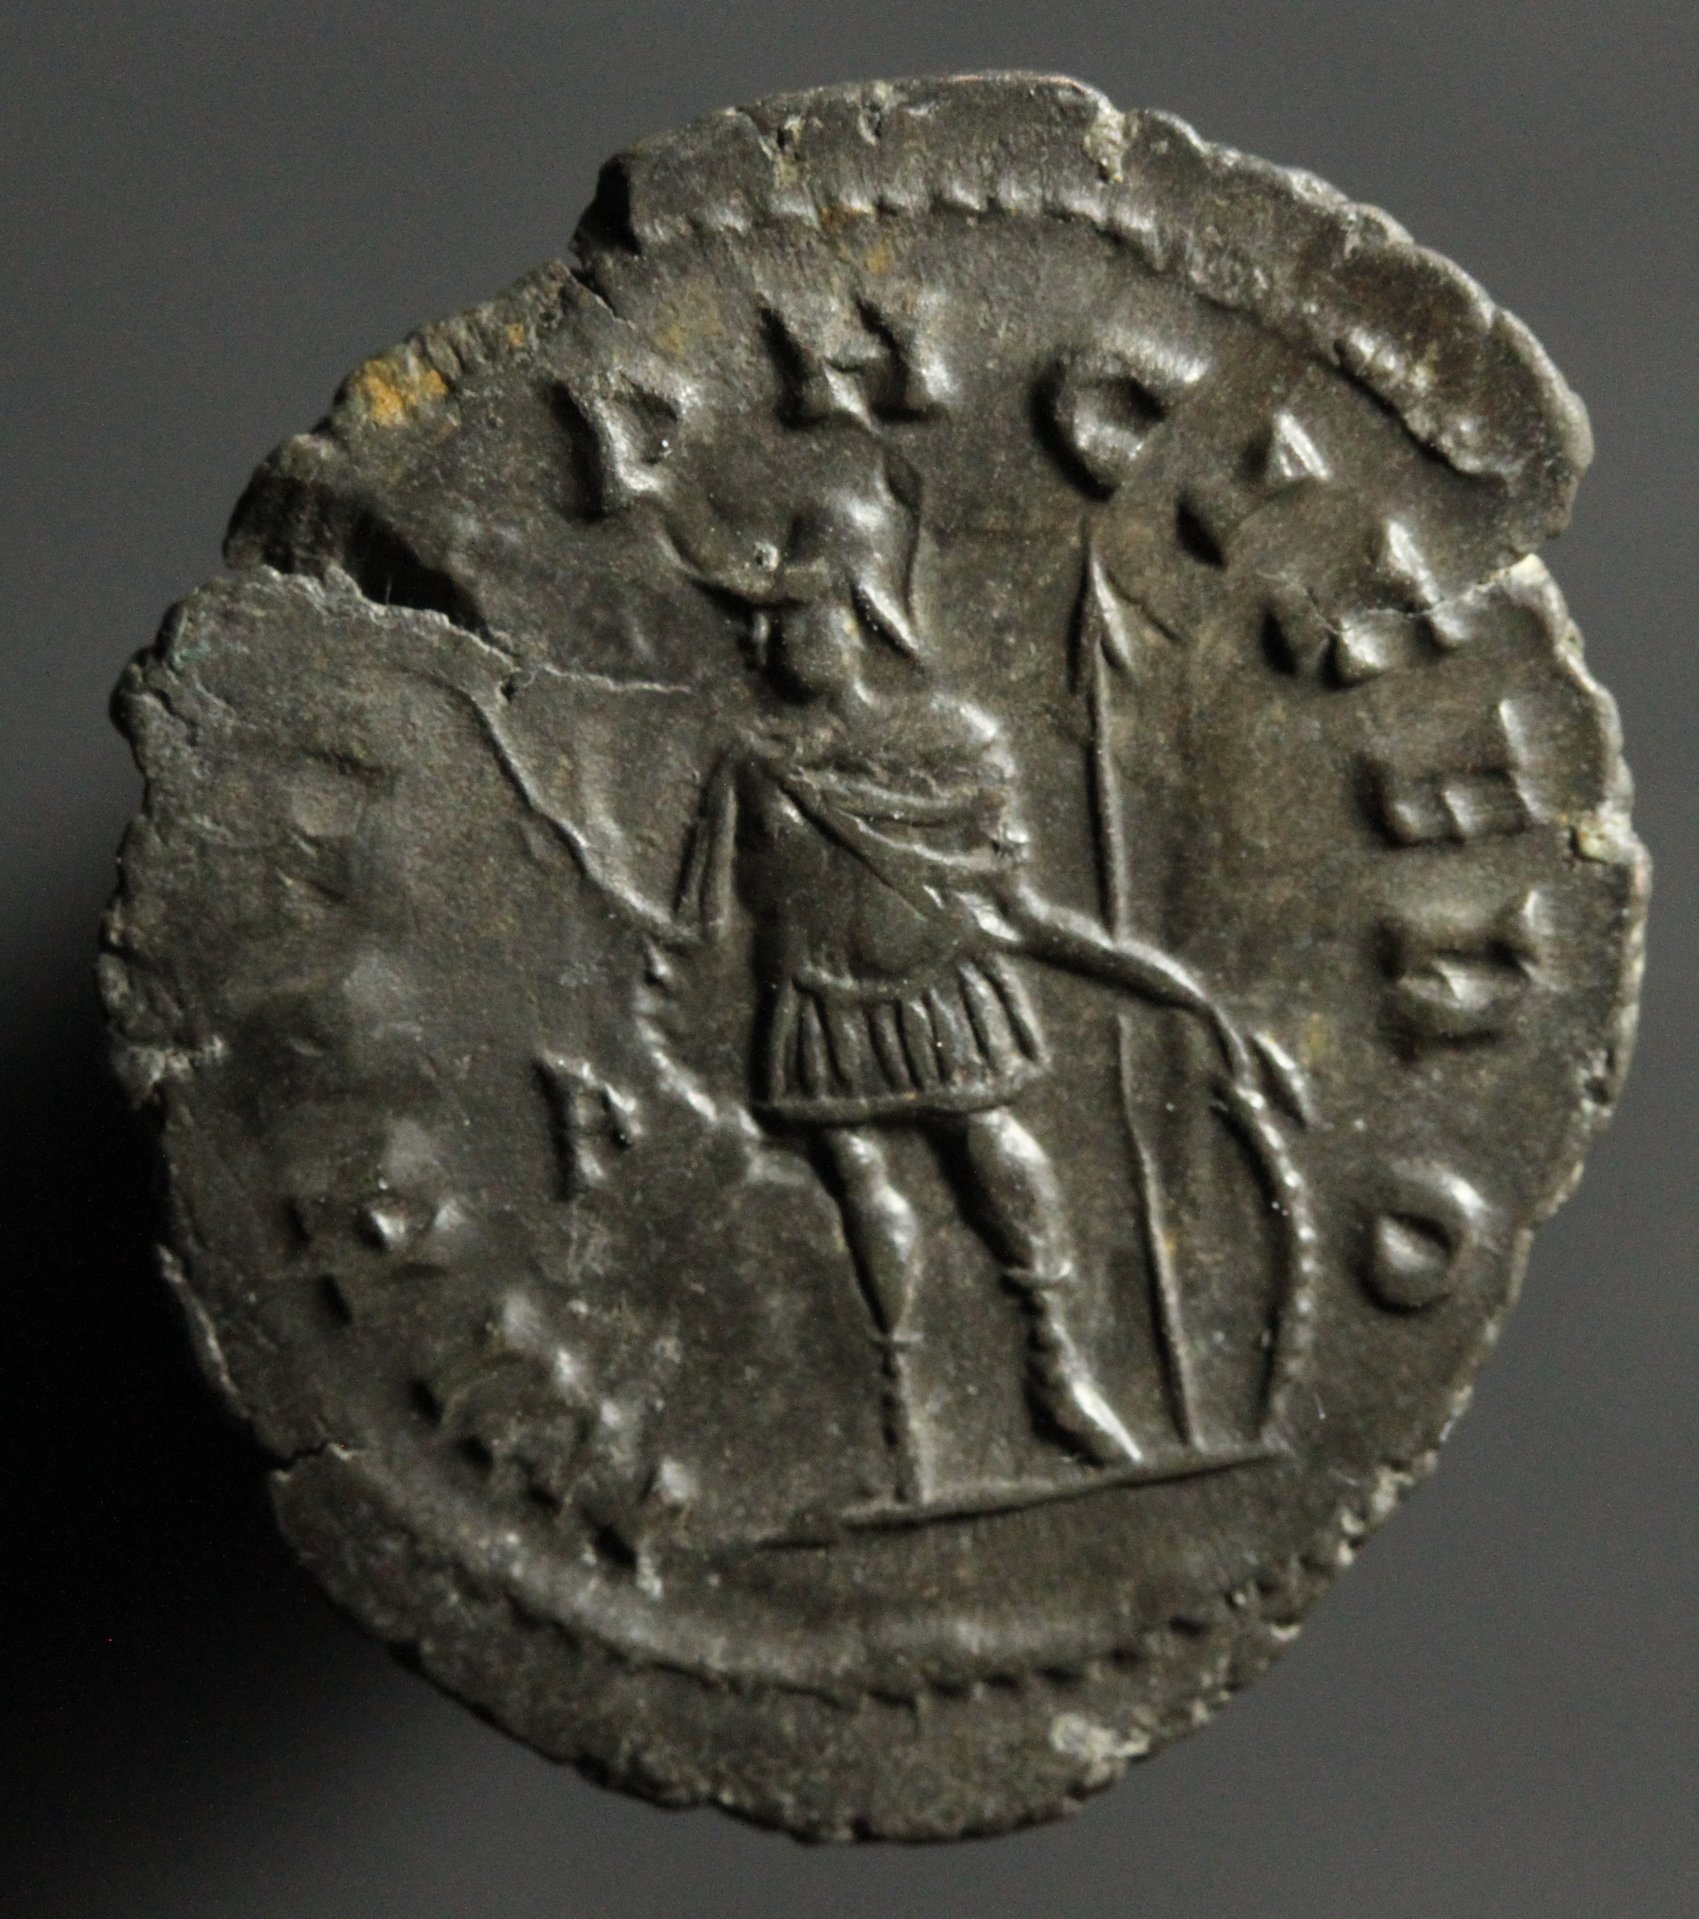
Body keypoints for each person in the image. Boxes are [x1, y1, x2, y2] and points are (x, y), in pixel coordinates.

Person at [663, 486, 1248, 1500]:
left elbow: (1016, 913)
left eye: (794, 615)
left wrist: (1167, 988)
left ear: (862, 615)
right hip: (816, 1005)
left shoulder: (950, 739)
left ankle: (1056, 1365)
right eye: (763, 620)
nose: (765, 641)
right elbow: (699, 930)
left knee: (989, 1142)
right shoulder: (751, 764)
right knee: (858, 1177)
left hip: (942, 992)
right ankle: (901, 1413)